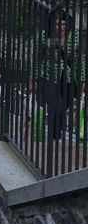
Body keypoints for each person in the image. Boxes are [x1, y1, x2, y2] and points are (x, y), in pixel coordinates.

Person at [36, 14, 82, 142]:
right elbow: (36, 59)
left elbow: (79, 59)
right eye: (57, 24)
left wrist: (82, 80)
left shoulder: (75, 37)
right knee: (58, 106)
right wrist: (32, 79)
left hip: (68, 79)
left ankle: (56, 134)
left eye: (63, 24)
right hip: (48, 77)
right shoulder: (45, 37)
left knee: (62, 109)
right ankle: (54, 136)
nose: (61, 27)